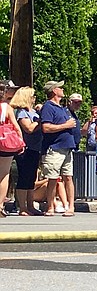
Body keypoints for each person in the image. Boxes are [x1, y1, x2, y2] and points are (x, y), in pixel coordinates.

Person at [38, 81, 78, 216]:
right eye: (60, 87)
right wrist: (65, 125)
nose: (62, 89)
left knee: (68, 177)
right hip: (54, 148)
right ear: (54, 91)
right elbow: (46, 127)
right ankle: (50, 207)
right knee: (53, 179)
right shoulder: (48, 107)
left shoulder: (61, 108)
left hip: (67, 148)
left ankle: (71, 207)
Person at [12, 87, 42, 215]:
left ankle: (30, 205)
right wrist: (40, 122)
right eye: (32, 96)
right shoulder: (21, 112)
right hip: (25, 148)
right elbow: (28, 128)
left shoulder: (34, 112)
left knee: (31, 177)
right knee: (24, 177)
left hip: (36, 148)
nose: (34, 98)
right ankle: (22, 207)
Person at [0, 80, 20, 218]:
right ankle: (0, 204)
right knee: (4, 173)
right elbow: (16, 127)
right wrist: (21, 142)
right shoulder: (7, 108)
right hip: (5, 143)